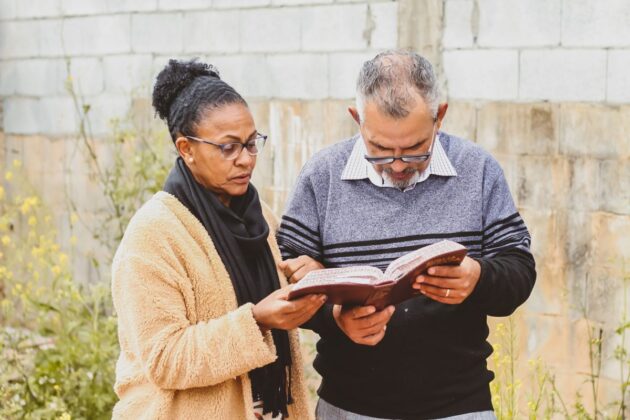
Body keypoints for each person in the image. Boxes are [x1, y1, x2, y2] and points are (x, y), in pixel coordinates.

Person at [276, 50, 536, 419]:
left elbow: (520, 271)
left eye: (416, 150)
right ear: (357, 119)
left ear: (439, 116)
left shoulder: (478, 169)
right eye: (379, 150)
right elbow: (284, 279)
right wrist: (334, 316)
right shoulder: (322, 176)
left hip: (459, 405)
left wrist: (478, 278)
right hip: (349, 406)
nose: (397, 165)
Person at [111, 59, 325, 420]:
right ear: (186, 148)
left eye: (252, 143)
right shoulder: (153, 235)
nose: (246, 160)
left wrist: (310, 278)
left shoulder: (259, 217)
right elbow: (165, 359)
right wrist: (257, 321)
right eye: (228, 148)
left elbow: (282, 299)